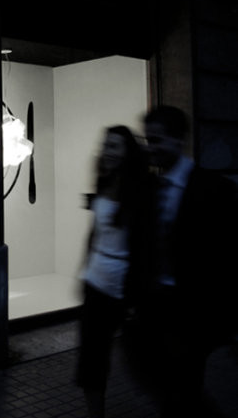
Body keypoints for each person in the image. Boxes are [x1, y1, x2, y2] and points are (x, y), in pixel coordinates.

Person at [135, 104, 237, 417]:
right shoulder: (149, 189)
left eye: (157, 140)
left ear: (179, 140)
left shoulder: (215, 189)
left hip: (194, 312)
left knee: (184, 390)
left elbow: (228, 257)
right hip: (157, 309)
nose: (150, 147)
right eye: (148, 139)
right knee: (172, 388)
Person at [76, 125, 151, 418]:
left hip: (124, 289)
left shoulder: (140, 191)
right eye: (106, 145)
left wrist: (136, 296)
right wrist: (84, 270)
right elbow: (95, 232)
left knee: (144, 362)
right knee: (91, 362)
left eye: (114, 146)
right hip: (96, 284)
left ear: (128, 153)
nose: (107, 151)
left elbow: (144, 247)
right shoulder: (104, 182)